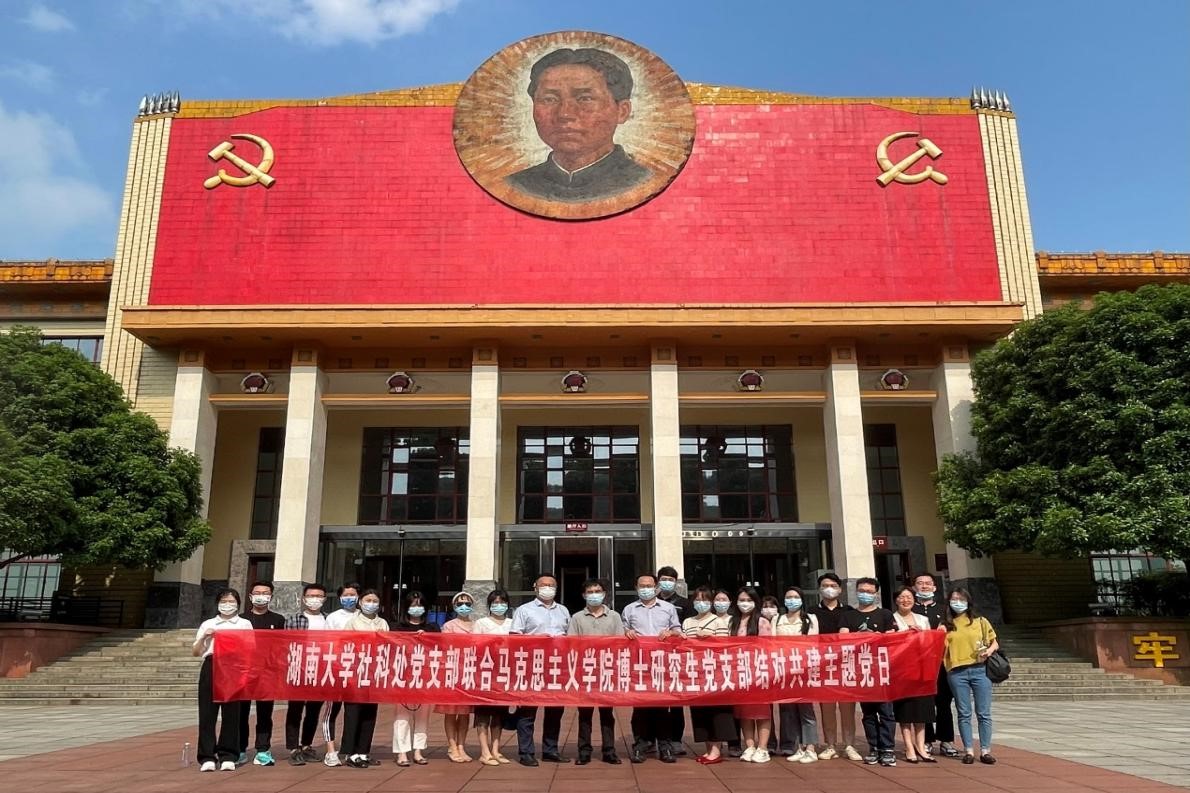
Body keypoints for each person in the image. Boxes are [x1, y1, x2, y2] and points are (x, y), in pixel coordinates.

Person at [505, 47, 652, 203]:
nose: (564, 114)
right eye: (549, 99)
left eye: (585, 98)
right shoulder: (515, 185)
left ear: (622, 111)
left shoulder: (644, 181)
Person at [510, 573, 570, 766]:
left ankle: (550, 750)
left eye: (551, 585)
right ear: (535, 587)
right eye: (543, 585)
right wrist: (536, 640)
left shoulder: (563, 610)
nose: (547, 588)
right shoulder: (524, 610)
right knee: (528, 711)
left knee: (555, 711)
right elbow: (514, 637)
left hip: (556, 667)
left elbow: (571, 637)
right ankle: (526, 752)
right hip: (532, 665)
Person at [622, 573, 681, 763]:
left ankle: (665, 746)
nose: (646, 589)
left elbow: (678, 630)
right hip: (639, 665)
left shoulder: (668, 608)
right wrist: (627, 633)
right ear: (636, 588)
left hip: (662, 664)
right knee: (640, 708)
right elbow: (622, 632)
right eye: (642, 586)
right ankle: (641, 745)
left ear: (656, 587)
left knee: (662, 707)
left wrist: (671, 633)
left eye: (649, 585)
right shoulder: (629, 609)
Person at [192, 587, 252, 772]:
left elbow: (251, 648)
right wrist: (204, 637)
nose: (227, 605)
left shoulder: (244, 624)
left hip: (234, 668)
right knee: (207, 713)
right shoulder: (208, 623)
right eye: (223, 601)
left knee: (232, 714)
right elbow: (196, 652)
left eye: (231, 601)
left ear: (238, 604)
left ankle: (228, 755)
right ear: (217, 604)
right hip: (211, 665)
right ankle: (207, 756)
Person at [840, 577, 898, 767]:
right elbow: (842, 637)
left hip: (882, 669)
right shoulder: (848, 615)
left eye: (869, 591)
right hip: (861, 670)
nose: (865, 594)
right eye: (862, 591)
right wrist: (859, 637)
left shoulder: (885, 614)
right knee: (868, 713)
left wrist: (875, 637)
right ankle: (874, 747)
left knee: (886, 712)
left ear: (876, 593)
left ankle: (887, 749)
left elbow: (892, 638)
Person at [566, 578, 624, 765]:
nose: (594, 595)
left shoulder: (614, 616)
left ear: (604, 594)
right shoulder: (577, 617)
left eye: (597, 591)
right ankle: (584, 751)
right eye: (590, 592)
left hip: (607, 670)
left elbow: (620, 642)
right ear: (584, 595)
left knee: (607, 713)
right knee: (584, 714)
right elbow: (571, 643)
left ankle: (609, 751)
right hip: (585, 671)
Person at [944, 588, 999, 765]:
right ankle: (968, 750)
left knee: (984, 713)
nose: (958, 602)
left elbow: (994, 642)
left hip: (980, 670)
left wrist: (988, 651)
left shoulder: (980, 621)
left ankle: (985, 750)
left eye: (961, 599)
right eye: (954, 599)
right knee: (964, 712)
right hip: (957, 672)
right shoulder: (946, 624)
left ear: (968, 601)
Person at [811, 572, 862, 761]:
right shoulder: (812, 612)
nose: (829, 589)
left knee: (847, 707)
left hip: (846, 664)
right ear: (819, 589)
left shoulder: (849, 611)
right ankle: (830, 745)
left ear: (840, 589)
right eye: (825, 586)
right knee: (827, 707)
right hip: (823, 664)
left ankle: (849, 744)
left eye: (833, 586)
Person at [236, 580, 286, 766]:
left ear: (271, 597)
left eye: (265, 593)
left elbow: (281, 646)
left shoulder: (278, 619)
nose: (261, 596)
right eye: (257, 593)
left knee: (265, 713)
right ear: (250, 596)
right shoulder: (241, 620)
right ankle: (240, 749)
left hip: (267, 673)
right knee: (241, 712)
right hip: (244, 672)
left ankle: (263, 749)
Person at [682, 586, 733, 765]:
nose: (701, 603)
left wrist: (709, 638)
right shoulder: (688, 622)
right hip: (695, 672)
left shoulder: (718, 622)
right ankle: (708, 748)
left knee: (715, 711)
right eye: (698, 599)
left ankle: (716, 750)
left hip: (714, 672)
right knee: (700, 712)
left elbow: (724, 646)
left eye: (705, 599)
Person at [339, 589, 389, 768]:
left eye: (375, 601)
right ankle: (351, 753)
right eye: (368, 600)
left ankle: (363, 751)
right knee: (353, 713)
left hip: (373, 673)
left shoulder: (383, 623)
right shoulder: (353, 622)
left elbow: (387, 647)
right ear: (360, 602)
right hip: (355, 673)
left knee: (370, 713)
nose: (371, 604)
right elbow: (344, 645)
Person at [772, 586, 820, 764]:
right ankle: (798, 747)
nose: (792, 600)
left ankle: (811, 748)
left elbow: (813, 643)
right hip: (784, 670)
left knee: (806, 710)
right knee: (789, 711)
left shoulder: (810, 619)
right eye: (788, 597)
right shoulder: (778, 619)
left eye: (795, 597)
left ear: (801, 599)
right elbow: (772, 644)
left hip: (804, 670)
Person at [913, 572, 958, 757]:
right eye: (920, 583)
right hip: (919, 664)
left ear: (934, 587)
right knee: (925, 703)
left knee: (944, 702)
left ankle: (946, 740)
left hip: (941, 664)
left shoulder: (944, 609)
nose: (924, 586)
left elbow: (954, 632)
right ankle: (927, 740)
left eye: (928, 583)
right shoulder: (910, 610)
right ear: (914, 587)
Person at [392, 590, 438, 767]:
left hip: (425, 676)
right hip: (403, 676)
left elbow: (440, 648)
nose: (416, 608)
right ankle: (402, 752)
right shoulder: (398, 628)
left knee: (423, 715)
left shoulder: (432, 628)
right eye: (413, 605)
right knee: (402, 716)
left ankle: (418, 750)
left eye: (419, 605)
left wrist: (427, 639)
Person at [284, 583, 328, 766]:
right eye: (311, 596)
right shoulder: (293, 620)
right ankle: (293, 748)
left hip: (321, 669)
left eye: (318, 596)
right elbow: (285, 644)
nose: (314, 599)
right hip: (298, 668)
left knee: (313, 710)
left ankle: (307, 745)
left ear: (324, 599)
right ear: (304, 598)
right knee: (295, 709)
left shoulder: (328, 620)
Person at [891, 586, 936, 763]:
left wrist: (921, 634)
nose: (905, 600)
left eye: (909, 597)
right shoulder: (892, 619)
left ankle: (921, 746)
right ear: (896, 600)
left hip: (921, 670)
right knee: (906, 711)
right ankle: (909, 747)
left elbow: (930, 642)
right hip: (902, 671)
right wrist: (904, 635)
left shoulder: (923, 619)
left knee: (921, 710)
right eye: (902, 597)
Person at [730, 586, 773, 763]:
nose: (745, 603)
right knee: (744, 712)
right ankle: (749, 746)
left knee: (762, 712)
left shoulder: (762, 622)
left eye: (749, 600)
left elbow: (767, 648)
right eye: (742, 600)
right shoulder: (733, 622)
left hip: (759, 672)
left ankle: (763, 748)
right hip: (740, 673)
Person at [321, 581, 361, 767]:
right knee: (332, 710)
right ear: (339, 597)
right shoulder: (333, 618)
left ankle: (350, 750)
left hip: (357, 670)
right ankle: (330, 750)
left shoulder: (363, 616)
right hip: (336, 668)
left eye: (353, 594)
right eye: (346, 595)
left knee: (353, 712)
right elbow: (326, 643)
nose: (349, 598)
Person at [472, 588, 513, 766]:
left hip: (504, 673)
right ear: (489, 605)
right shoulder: (481, 623)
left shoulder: (512, 623)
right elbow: (474, 645)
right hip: (485, 673)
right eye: (495, 602)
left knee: (499, 714)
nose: (499, 605)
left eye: (502, 602)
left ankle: (496, 749)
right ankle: (484, 751)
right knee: (483, 714)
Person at [656, 565, 692, 755]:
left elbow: (687, 629)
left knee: (676, 702)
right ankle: (654, 739)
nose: (667, 583)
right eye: (664, 579)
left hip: (677, 658)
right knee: (656, 701)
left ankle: (676, 740)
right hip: (655, 658)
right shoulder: (652, 602)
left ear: (676, 582)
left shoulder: (685, 603)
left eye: (670, 580)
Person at [440, 591, 477, 763]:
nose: (464, 607)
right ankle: (452, 745)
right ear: (454, 606)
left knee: (464, 713)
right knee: (450, 712)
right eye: (460, 604)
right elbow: (445, 647)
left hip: (470, 672)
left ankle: (461, 745)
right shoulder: (449, 626)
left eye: (467, 604)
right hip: (452, 672)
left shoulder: (476, 626)